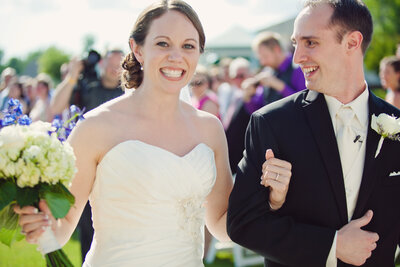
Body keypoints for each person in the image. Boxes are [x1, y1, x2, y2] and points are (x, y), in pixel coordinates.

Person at [15, 1, 292, 266]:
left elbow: (221, 224)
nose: (176, 56)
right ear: (137, 49)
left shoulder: (209, 128)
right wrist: (42, 224)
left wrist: (269, 199)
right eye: (163, 43)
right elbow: (64, 226)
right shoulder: (96, 127)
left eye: (188, 46)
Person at [228, 0, 400, 266]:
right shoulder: (271, 122)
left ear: (352, 43)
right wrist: (332, 245)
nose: (297, 58)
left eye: (310, 43)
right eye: (295, 43)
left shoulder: (396, 124)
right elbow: (243, 222)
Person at [50, 48, 125, 260]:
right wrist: (73, 74)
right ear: (102, 64)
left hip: (115, 169)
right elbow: (56, 105)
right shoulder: (86, 87)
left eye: (119, 65)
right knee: (86, 231)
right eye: (110, 64)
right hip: (84, 168)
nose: (114, 69)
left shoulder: (129, 93)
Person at [251, 31, 305, 102]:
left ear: (277, 49)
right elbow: (260, 108)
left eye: (265, 56)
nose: (262, 62)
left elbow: (304, 103)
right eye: (260, 58)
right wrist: (249, 98)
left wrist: (281, 87)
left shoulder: (298, 69)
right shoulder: (267, 72)